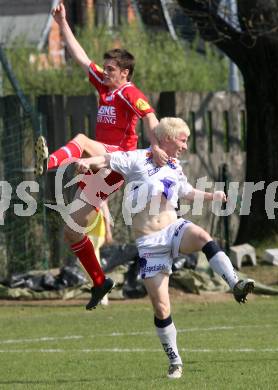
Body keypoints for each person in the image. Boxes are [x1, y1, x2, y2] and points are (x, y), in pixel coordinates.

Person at [75, 117, 255, 379]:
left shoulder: (174, 165)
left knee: (204, 236)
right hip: (149, 244)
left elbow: (185, 190)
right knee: (162, 308)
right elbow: (105, 160)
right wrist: (86, 162)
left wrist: (211, 196)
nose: (185, 145)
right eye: (183, 139)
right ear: (168, 138)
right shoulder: (138, 159)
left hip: (174, 229)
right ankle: (175, 360)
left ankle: (235, 283)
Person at [35, 1, 168, 310]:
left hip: (119, 160)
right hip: (102, 168)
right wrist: (62, 24)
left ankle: (48, 163)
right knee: (72, 230)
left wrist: (157, 144)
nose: (105, 72)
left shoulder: (129, 92)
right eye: (105, 68)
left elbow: (150, 118)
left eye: (111, 69)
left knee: (81, 140)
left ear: (125, 73)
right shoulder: (106, 88)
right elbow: (81, 58)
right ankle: (99, 281)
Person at [85, 200, 113, 305]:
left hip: (97, 234)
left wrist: (108, 231)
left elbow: (106, 213)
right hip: (88, 233)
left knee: (83, 261)